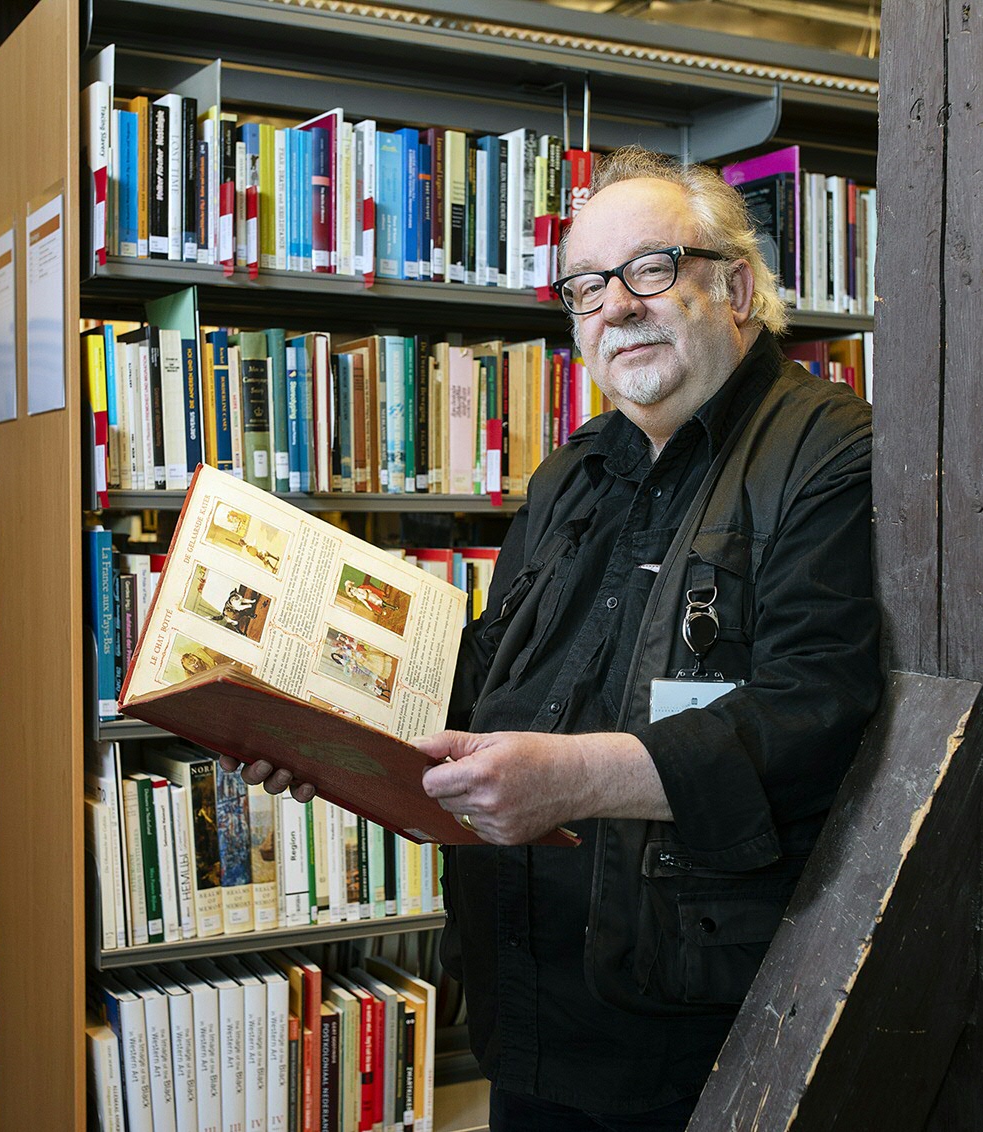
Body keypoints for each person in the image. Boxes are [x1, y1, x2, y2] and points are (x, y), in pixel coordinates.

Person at [221, 146, 882, 1130]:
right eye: (583, 287)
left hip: (696, 1014)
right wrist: (319, 724)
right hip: (526, 994)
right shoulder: (568, 474)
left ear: (736, 287)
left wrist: (576, 778)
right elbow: (483, 683)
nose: (612, 306)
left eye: (647, 269)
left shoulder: (829, 452)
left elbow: (814, 718)